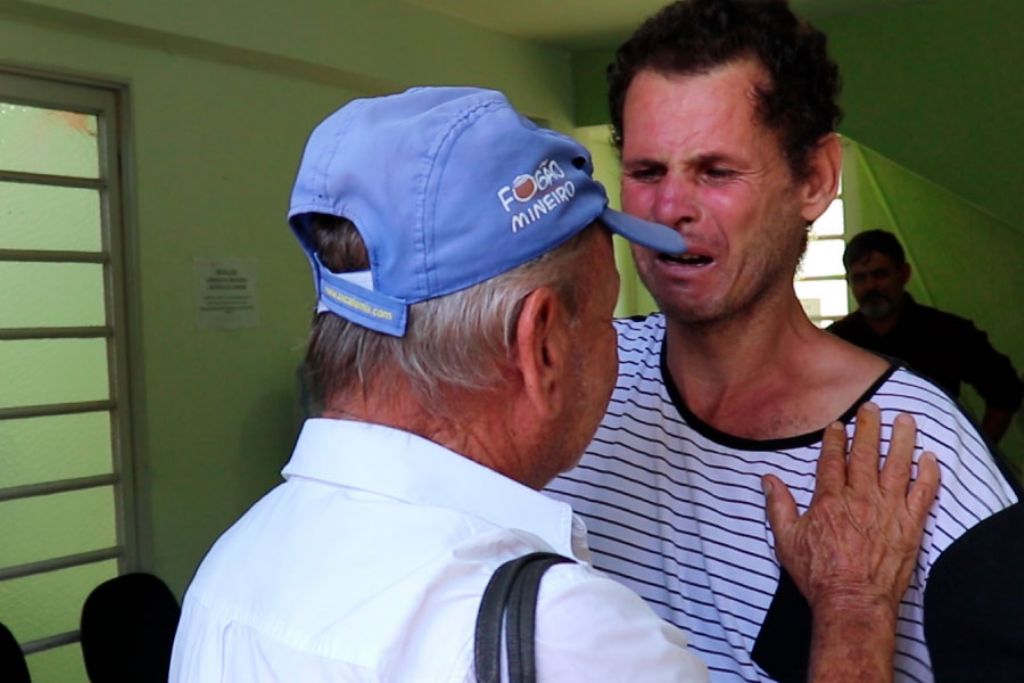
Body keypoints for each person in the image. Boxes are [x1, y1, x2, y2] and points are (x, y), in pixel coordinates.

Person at [168, 87, 938, 682]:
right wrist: (855, 612)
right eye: (606, 319)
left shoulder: (228, 574)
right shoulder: (570, 640)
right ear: (539, 344)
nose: (624, 344)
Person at [545, 1, 1024, 681]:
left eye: (715, 171)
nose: (670, 207)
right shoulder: (564, 394)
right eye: (648, 172)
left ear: (815, 179)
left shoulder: (920, 455)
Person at [828, 229, 1023, 444]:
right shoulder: (836, 342)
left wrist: (977, 453)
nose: (871, 287)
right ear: (849, 282)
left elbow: (1006, 391)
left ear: (904, 274)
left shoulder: (947, 333)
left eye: (880, 274)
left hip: (933, 465)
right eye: (860, 278)